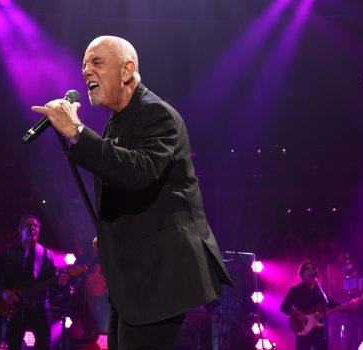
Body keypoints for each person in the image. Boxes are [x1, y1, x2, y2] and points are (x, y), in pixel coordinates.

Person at [31, 35, 235, 349]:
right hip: (137, 277)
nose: (86, 71)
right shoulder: (119, 121)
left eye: (96, 63)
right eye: (85, 65)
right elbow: (123, 182)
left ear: (127, 70)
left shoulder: (156, 114)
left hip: (161, 274)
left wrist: (77, 131)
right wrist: (112, 231)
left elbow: (138, 172)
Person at [0, 214, 69, 350]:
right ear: (21, 230)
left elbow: (54, 280)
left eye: (36, 226)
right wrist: (3, 292)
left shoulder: (46, 254)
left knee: (44, 345)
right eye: (29, 225)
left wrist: (60, 282)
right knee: (14, 344)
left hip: (40, 307)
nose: (33, 228)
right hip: (15, 307)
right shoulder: (9, 252)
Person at [280, 261, 341, 350]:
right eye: (308, 269)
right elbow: (284, 307)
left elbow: (332, 305)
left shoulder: (320, 291)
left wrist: (349, 305)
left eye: (313, 269)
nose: (311, 271)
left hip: (319, 331)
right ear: (302, 273)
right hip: (303, 329)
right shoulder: (295, 290)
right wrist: (296, 313)